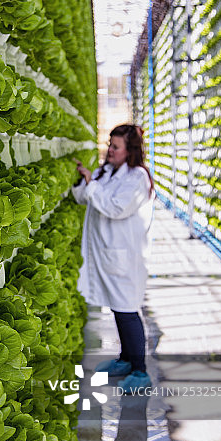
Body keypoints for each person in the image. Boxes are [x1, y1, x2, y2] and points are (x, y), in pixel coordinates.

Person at [71, 124, 155, 394]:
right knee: (119, 309)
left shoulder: (137, 177)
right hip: (107, 254)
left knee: (128, 310)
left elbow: (115, 208)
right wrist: (83, 180)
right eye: (110, 144)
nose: (110, 150)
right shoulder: (106, 171)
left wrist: (92, 183)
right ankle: (125, 359)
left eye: (115, 147)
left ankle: (140, 370)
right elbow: (85, 198)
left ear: (129, 151)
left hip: (124, 256)